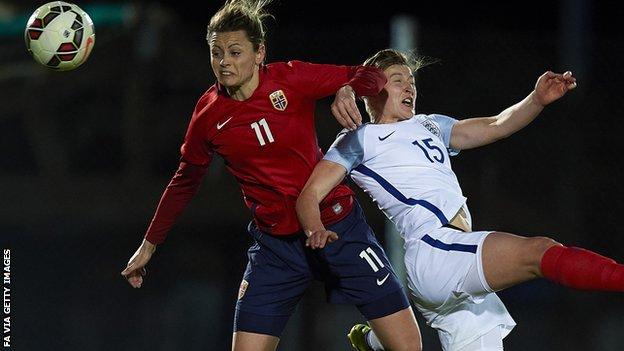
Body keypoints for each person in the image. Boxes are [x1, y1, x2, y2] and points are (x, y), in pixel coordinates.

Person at [120, 3, 423, 351]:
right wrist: (149, 245)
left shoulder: (291, 78)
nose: (224, 62)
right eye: (216, 53)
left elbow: (372, 76)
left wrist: (348, 87)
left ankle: (370, 343)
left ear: (259, 52)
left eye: (235, 52)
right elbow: (185, 180)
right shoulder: (208, 115)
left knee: (408, 347)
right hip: (277, 247)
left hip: (338, 227)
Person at [296, 48, 624, 351]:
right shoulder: (359, 138)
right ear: (372, 90)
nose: (409, 88)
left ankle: (375, 340)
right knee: (538, 252)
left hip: (454, 260)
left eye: (412, 82)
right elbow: (309, 194)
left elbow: (496, 125)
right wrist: (314, 228)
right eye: (398, 81)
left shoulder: (429, 125)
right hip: (435, 251)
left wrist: (535, 100)